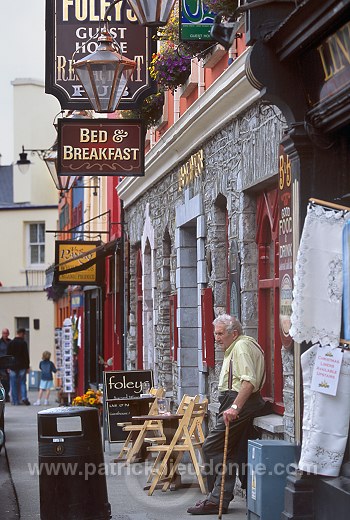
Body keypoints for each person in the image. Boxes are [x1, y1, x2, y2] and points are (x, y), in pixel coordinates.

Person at [187, 314, 266, 515]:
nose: (217, 338)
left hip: (239, 403)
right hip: (236, 402)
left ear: (234, 333)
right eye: (215, 333)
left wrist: (235, 408)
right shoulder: (241, 345)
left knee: (211, 446)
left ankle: (217, 498)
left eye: (221, 333)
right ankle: (218, 498)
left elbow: (248, 382)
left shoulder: (240, 347)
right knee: (228, 451)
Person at [7, 328, 30, 406]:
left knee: (13, 384)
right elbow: (26, 355)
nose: (24, 336)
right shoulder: (23, 343)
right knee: (23, 383)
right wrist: (27, 366)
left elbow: (8, 355)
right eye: (24, 334)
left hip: (12, 366)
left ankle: (15, 401)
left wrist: (8, 366)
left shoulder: (11, 343)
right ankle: (24, 398)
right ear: (21, 334)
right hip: (22, 365)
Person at [0, 328, 11, 402]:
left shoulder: (10, 342)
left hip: (9, 363)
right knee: (3, 380)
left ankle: (7, 394)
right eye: (4, 333)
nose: (5, 335)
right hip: (1, 364)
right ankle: (4, 395)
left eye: (6, 333)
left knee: (8, 381)